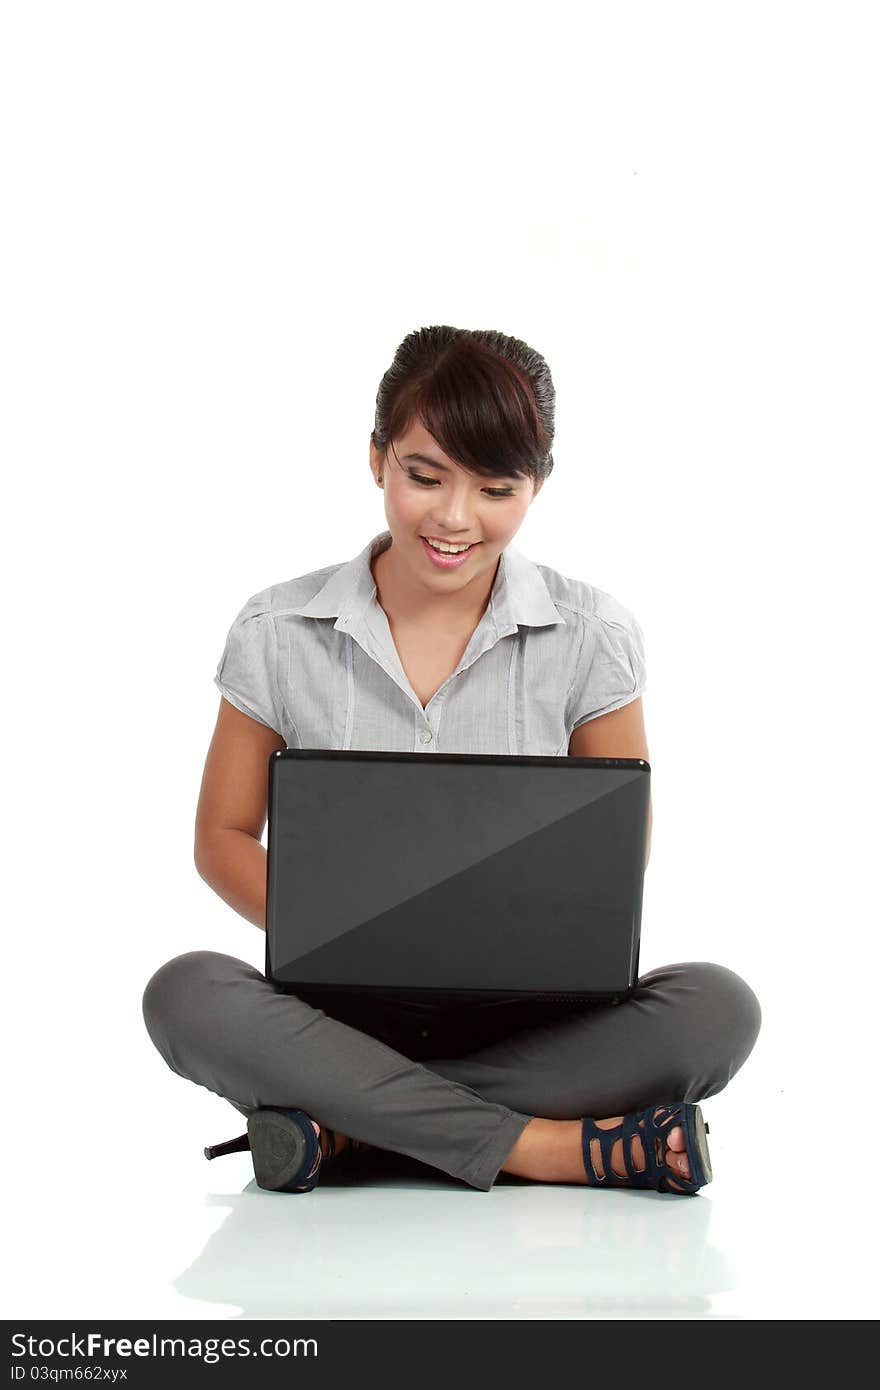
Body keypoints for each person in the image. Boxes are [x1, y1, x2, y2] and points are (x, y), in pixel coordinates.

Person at [142, 325, 761, 1197]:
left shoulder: (593, 636)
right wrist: (344, 925)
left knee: (718, 1008)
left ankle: (350, 1130)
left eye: (496, 488)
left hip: (533, 1022)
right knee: (186, 993)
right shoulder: (276, 630)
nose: (454, 518)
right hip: (337, 1017)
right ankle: (546, 1148)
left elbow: (621, 853)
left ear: (537, 486)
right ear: (376, 459)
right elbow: (223, 834)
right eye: (424, 476)